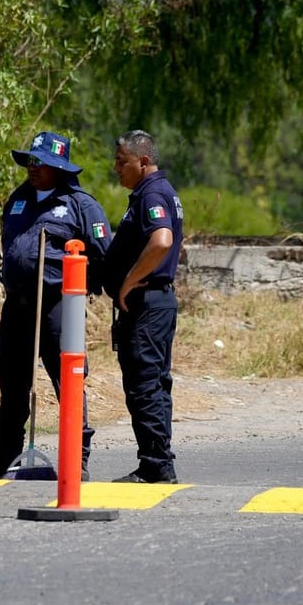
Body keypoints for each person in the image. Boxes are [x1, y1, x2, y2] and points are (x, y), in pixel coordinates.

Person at [0, 132, 113, 480]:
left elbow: (104, 254)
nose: (32, 167)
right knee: (12, 381)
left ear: (58, 167)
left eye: (40, 162)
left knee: (69, 381)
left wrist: (85, 287)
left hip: (59, 305)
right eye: (30, 160)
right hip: (17, 304)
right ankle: (5, 456)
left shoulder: (79, 204)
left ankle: (77, 460)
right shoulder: (18, 199)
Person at [102, 130, 184, 484]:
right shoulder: (151, 193)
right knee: (153, 383)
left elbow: (161, 241)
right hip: (154, 303)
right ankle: (157, 461)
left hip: (149, 303)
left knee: (145, 384)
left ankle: (155, 464)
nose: (116, 168)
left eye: (123, 162)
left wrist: (130, 280)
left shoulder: (152, 193)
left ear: (144, 162)